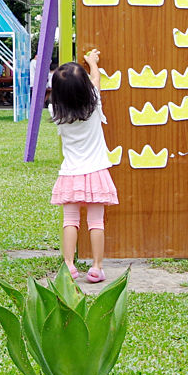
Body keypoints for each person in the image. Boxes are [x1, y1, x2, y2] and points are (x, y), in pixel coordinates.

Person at [48, 48, 118, 285]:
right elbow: (96, 80)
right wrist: (92, 63)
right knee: (96, 222)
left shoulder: (55, 111)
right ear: (86, 89)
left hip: (71, 174)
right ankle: (97, 267)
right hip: (96, 171)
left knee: (70, 220)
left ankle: (69, 265)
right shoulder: (94, 103)